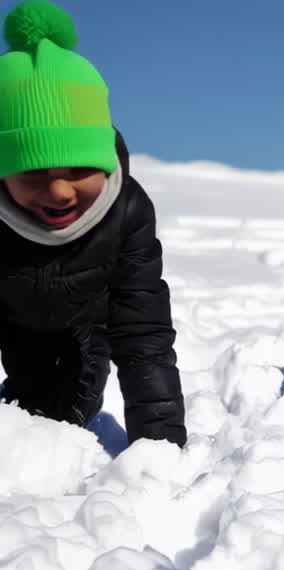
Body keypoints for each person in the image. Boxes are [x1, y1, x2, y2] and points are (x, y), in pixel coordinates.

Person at [0, 0, 184, 446]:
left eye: (78, 169)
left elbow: (144, 335)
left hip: (83, 331)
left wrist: (159, 449)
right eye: (34, 173)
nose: (59, 191)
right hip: (11, 318)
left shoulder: (127, 211)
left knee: (60, 421)